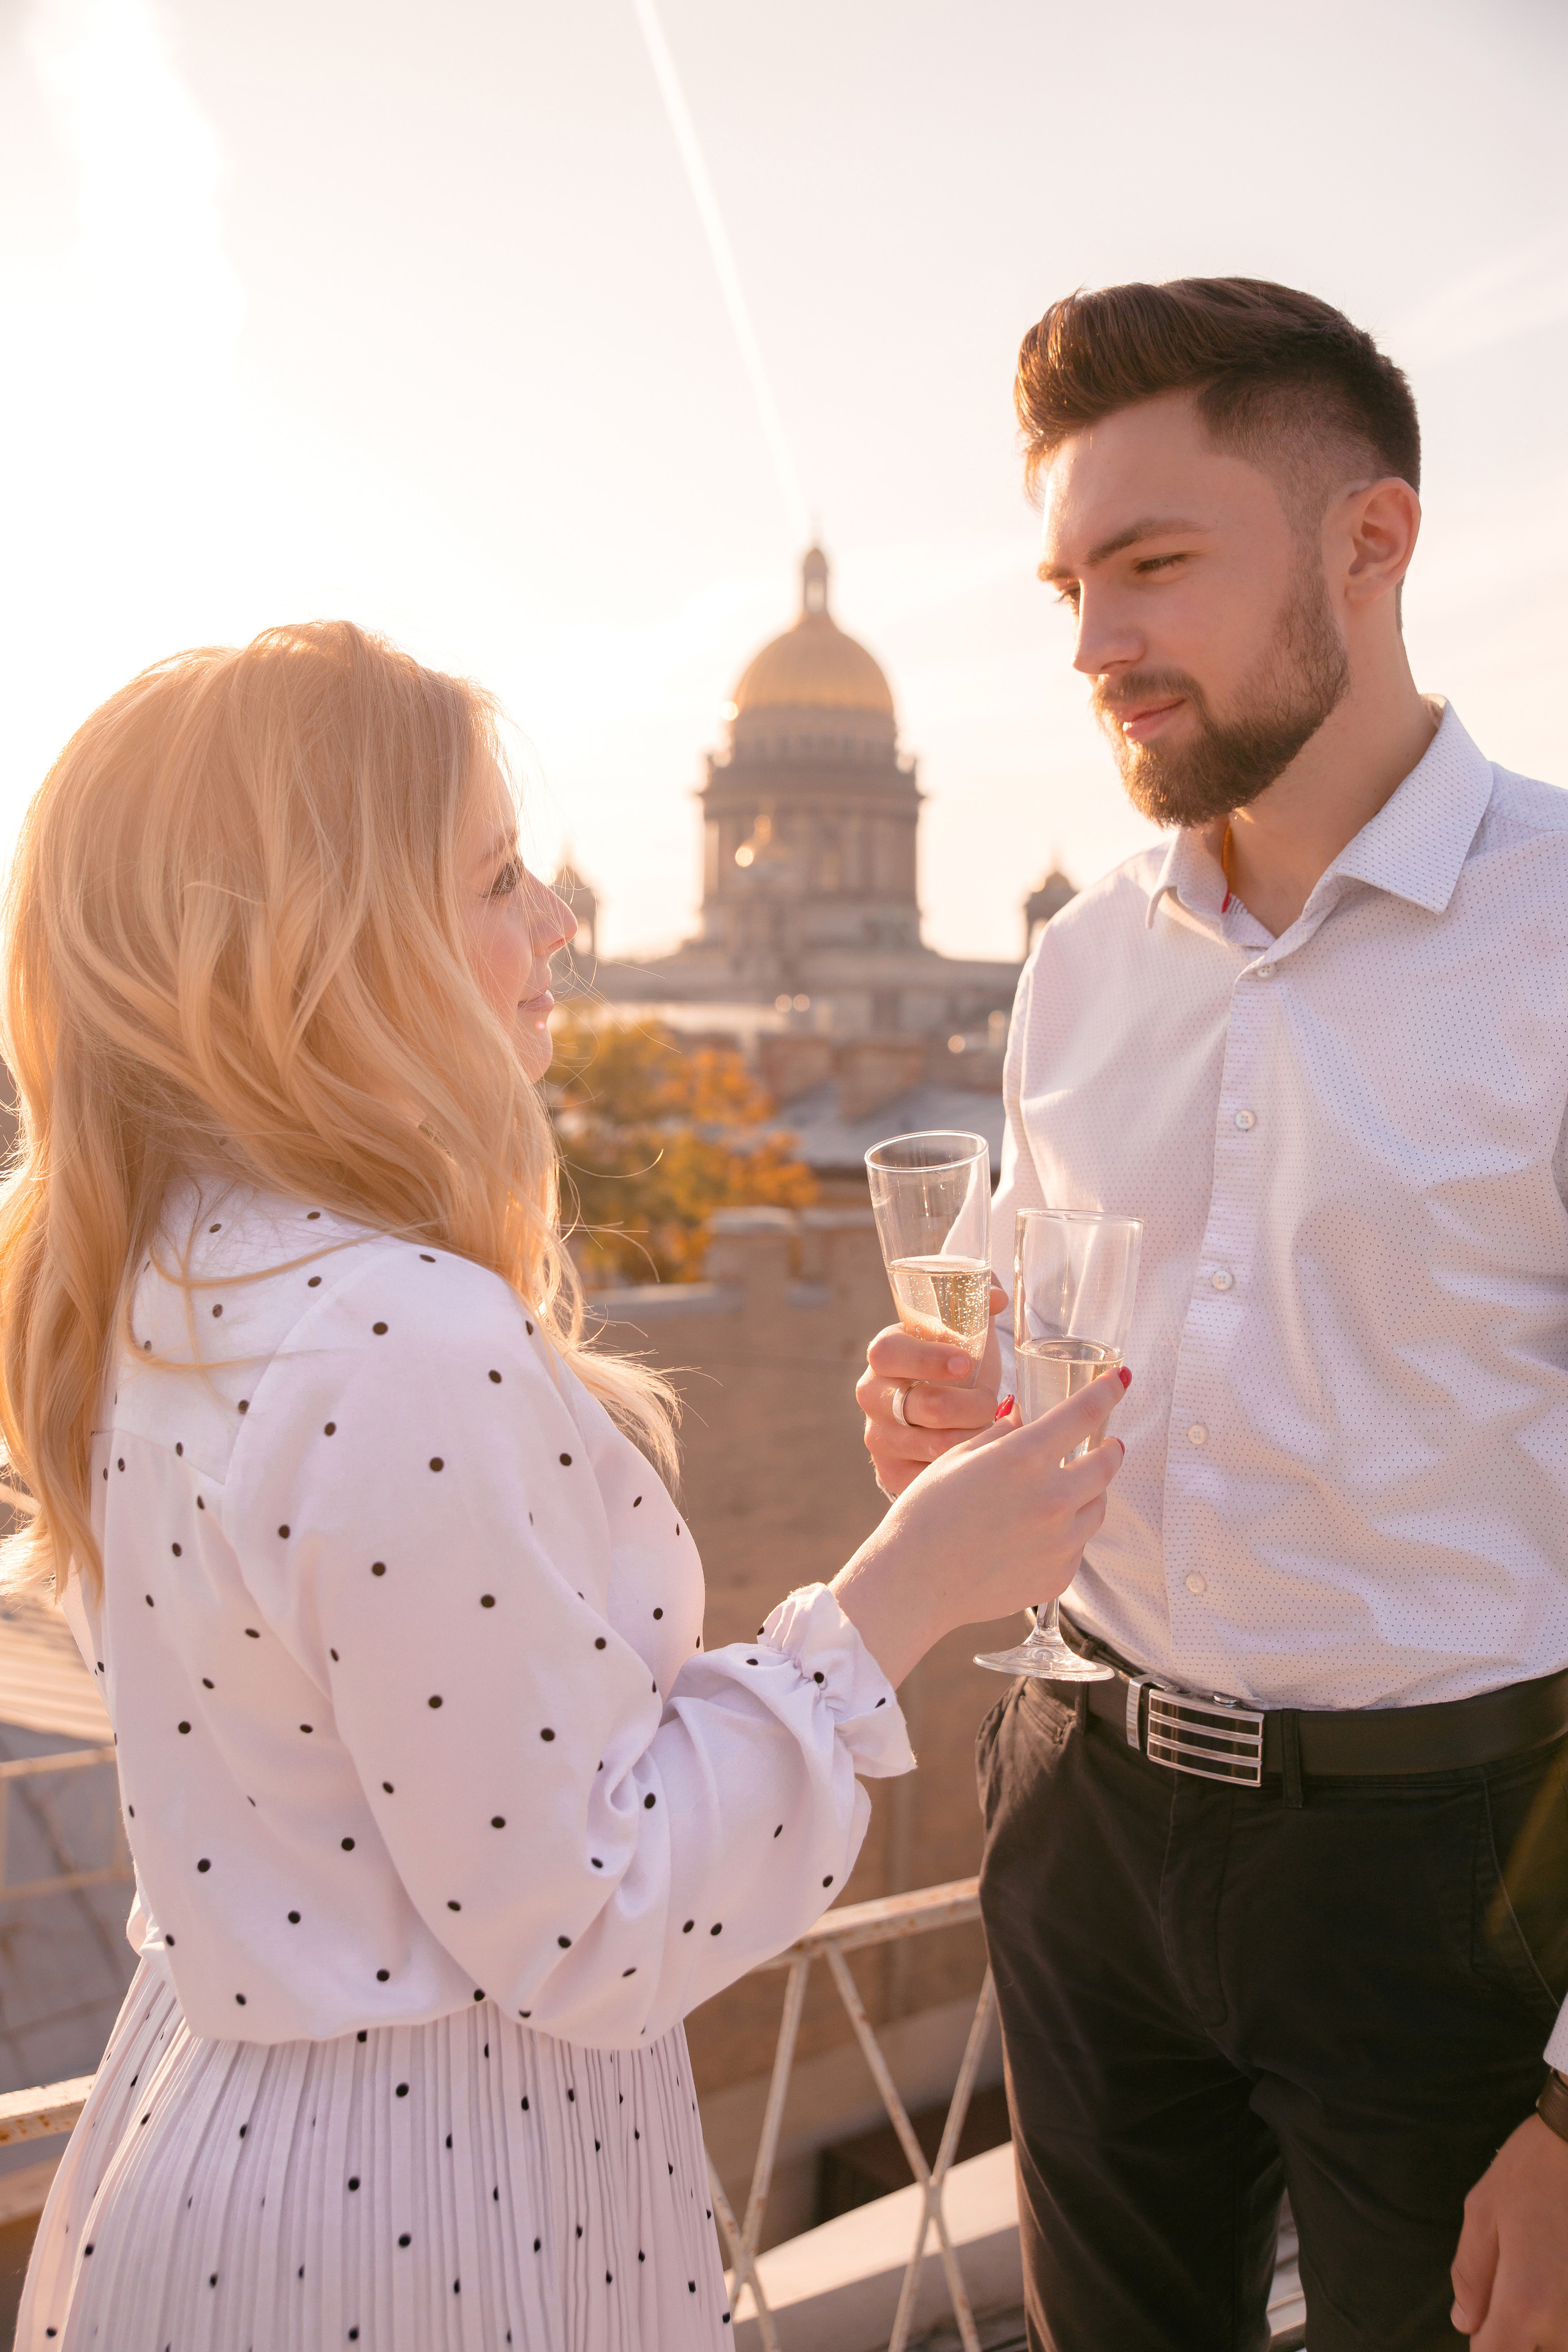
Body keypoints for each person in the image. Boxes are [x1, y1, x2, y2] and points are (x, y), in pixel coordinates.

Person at [1, 622, 1127, 2352]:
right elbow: (592, 1916)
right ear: (337, 939)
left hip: (212, 2151)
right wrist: (907, 1583)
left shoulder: (167, 1274)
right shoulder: (400, 1330)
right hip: (435, 2216)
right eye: (499, 876)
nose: (562, 927)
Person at [858, 277, 1568, 2352]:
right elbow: (1077, 1375)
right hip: (1084, 1811)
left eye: (1155, 565)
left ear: (1374, 539)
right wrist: (958, 1429)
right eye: (1071, 580)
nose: (1091, 647)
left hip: (1455, 1883)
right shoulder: (1077, 972)